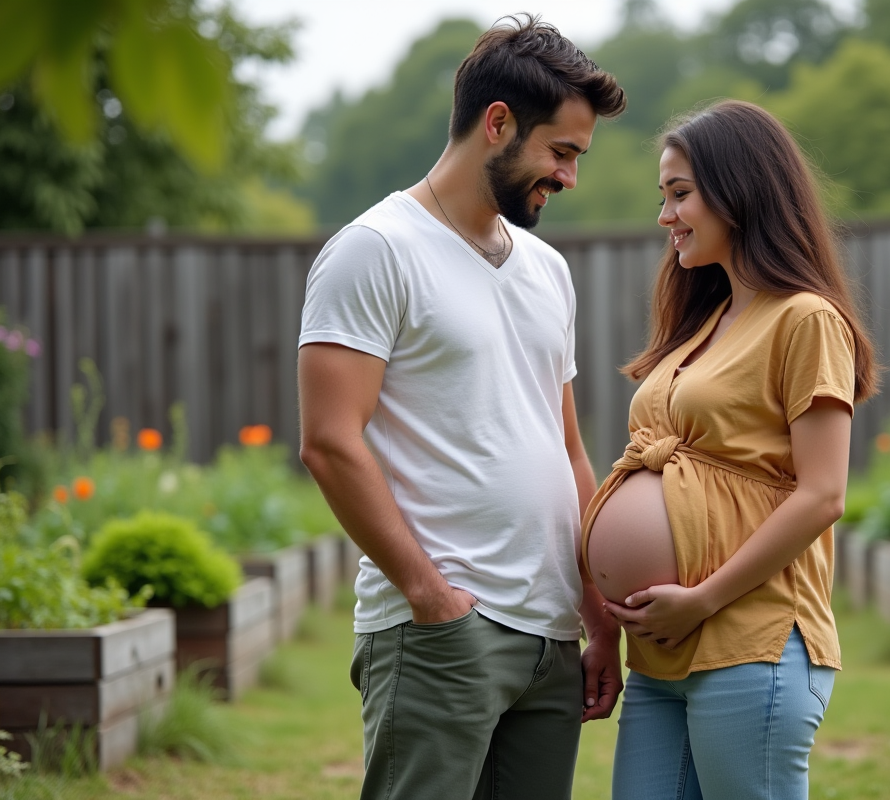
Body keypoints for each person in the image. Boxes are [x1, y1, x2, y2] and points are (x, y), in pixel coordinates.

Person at [297, 15, 626, 800]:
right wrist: (429, 597)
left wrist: (596, 617)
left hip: (550, 636)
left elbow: (567, 449)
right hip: (442, 632)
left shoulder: (547, 270)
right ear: (498, 123)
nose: (569, 177)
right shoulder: (376, 250)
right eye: (561, 152)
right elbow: (330, 442)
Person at [581, 100, 881, 800]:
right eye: (663, 197)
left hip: (751, 638)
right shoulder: (706, 319)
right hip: (660, 653)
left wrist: (701, 598)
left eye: (680, 194)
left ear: (740, 190)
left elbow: (823, 494)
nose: (666, 216)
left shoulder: (805, 319)